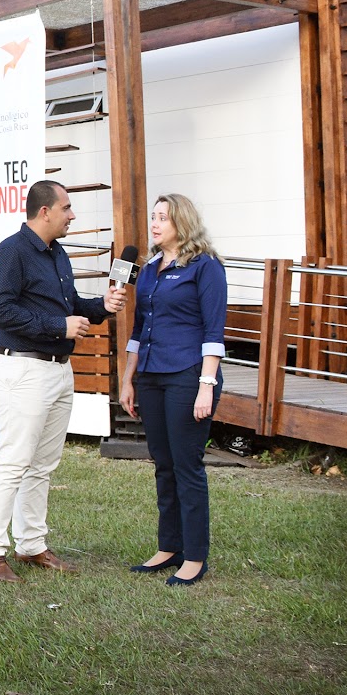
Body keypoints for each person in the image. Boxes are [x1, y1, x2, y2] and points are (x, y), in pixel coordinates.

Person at [0, 180, 125, 583]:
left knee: (42, 465)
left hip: (58, 370)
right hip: (23, 371)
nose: (72, 215)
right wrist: (59, 326)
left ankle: (31, 545)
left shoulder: (57, 254)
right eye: (67, 208)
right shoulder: (12, 252)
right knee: (13, 462)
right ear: (45, 211)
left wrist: (100, 308)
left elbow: (71, 306)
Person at [119, 193, 227, 588]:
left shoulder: (205, 266)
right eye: (152, 216)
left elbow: (214, 331)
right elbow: (137, 329)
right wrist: (128, 377)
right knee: (163, 464)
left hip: (188, 374)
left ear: (182, 222)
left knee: (186, 466)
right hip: (150, 376)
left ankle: (195, 556)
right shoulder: (147, 269)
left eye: (162, 217)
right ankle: (169, 547)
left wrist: (206, 386)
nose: (155, 223)